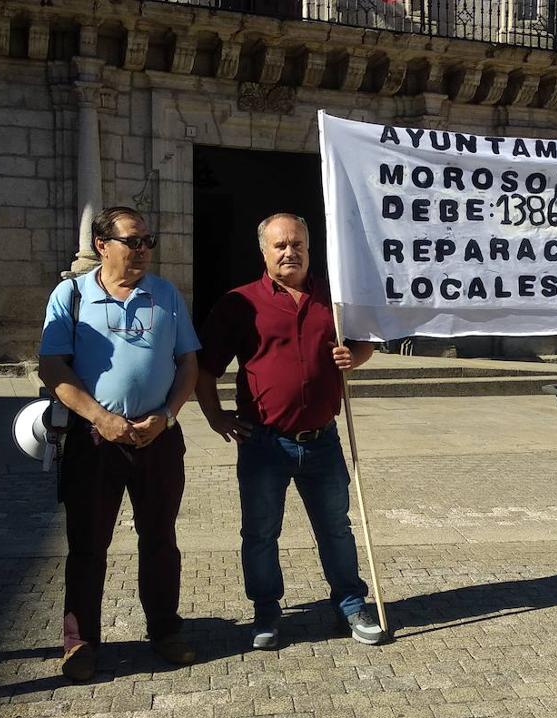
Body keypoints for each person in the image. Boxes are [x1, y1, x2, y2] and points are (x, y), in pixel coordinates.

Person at [195, 212, 385, 649]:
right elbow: (205, 369)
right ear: (263, 251)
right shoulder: (238, 303)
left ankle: (351, 604)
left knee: (336, 527)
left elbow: (366, 338)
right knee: (260, 532)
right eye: (280, 245)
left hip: (322, 440)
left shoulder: (335, 301)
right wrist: (215, 416)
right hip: (263, 443)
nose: (289, 252)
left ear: (309, 248)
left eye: (297, 243)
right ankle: (265, 612)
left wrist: (355, 357)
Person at [38, 206, 200, 682]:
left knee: (160, 539)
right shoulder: (71, 294)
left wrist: (167, 416)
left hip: (159, 438)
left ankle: (165, 630)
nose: (143, 250)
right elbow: (53, 369)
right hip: (95, 442)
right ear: (102, 245)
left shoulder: (165, 294)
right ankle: (80, 641)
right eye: (133, 241)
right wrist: (100, 417)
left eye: (148, 241)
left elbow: (188, 364)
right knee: (88, 544)